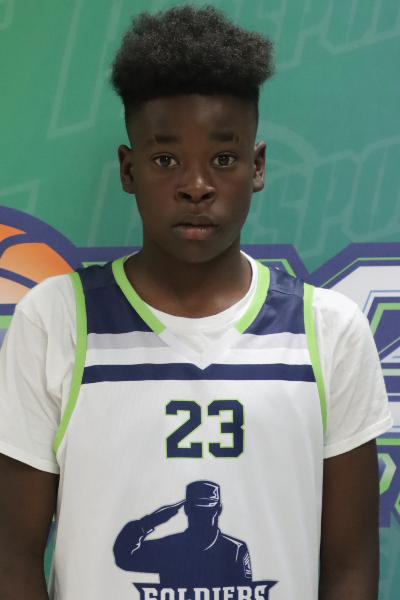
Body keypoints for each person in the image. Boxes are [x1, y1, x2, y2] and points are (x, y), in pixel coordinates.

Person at [0, 5, 392, 600]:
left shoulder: (328, 331)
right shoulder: (57, 320)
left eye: (223, 159)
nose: (196, 185)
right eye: (166, 160)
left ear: (256, 167)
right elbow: (13, 558)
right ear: (128, 170)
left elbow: (351, 567)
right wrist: (163, 516)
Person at [113, 481, 252, 587]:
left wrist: (151, 521)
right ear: (187, 509)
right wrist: (149, 521)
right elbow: (124, 558)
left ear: (219, 509)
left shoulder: (235, 549)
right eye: (197, 510)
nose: (202, 516)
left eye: (207, 510)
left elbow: (245, 592)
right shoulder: (167, 548)